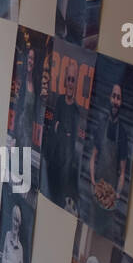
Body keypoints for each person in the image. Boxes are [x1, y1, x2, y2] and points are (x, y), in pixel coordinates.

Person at [88, 82, 129, 216]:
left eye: (119, 98)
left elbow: (123, 172)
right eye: (114, 96)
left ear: (121, 102)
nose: (115, 101)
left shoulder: (123, 133)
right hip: (98, 190)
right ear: (109, 98)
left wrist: (116, 194)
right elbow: (93, 156)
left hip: (110, 196)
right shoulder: (101, 125)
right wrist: (93, 181)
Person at [44, 64, 80, 211]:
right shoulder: (59, 101)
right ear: (65, 82)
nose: (70, 83)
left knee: (58, 201)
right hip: (53, 161)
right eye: (69, 79)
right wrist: (63, 131)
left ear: (75, 84)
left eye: (73, 80)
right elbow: (55, 127)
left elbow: (71, 140)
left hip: (65, 165)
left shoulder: (76, 111)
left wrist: (61, 129)